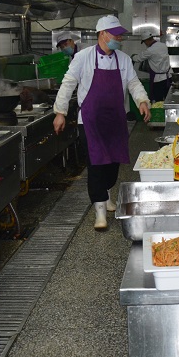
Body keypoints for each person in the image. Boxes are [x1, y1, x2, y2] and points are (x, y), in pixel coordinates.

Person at [53, 15, 151, 230]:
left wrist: (142, 100)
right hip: (90, 121)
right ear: (103, 34)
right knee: (96, 164)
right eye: (116, 34)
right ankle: (99, 211)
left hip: (115, 120)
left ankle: (106, 195)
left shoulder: (123, 59)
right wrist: (60, 112)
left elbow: (133, 83)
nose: (119, 38)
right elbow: (68, 83)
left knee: (113, 163)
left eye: (120, 35)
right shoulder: (83, 57)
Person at [135, 29, 172, 103]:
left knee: (159, 101)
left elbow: (138, 58)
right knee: (168, 100)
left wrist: (132, 57)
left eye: (144, 42)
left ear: (146, 41)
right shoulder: (163, 45)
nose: (145, 44)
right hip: (168, 77)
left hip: (159, 80)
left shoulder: (150, 50)